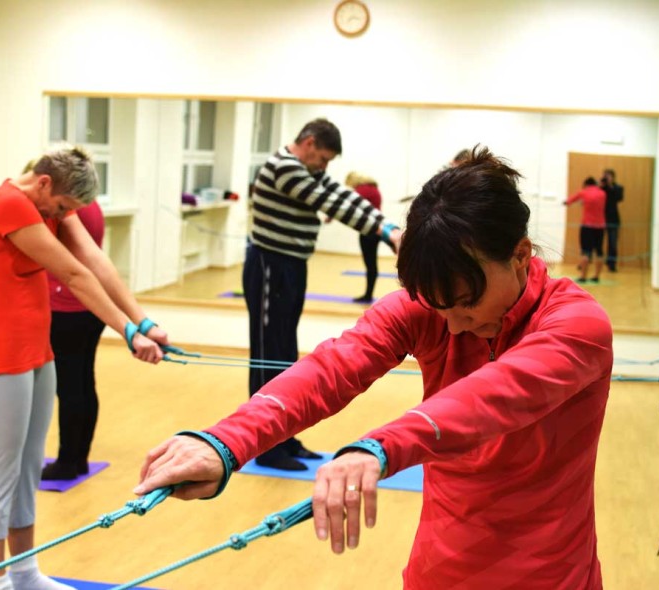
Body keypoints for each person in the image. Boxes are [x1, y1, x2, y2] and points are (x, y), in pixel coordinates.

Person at [135, 147, 613, 589]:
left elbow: (493, 396)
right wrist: (225, 441)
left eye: (467, 305)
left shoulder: (576, 324)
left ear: (521, 255)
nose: (453, 325)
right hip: (440, 565)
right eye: (439, 306)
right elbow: (332, 367)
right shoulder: (431, 310)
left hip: (550, 572)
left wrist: (376, 448)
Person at [0, 146, 169, 590]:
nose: (61, 216)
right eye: (61, 208)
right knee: (0, 471)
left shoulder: (50, 202)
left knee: (28, 466)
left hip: (37, 351)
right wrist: (126, 333)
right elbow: (74, 275)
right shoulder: (9, 207)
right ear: (44, 184)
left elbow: (95, 261)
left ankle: (25, 574)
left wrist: (142, 320)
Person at [243, 118, 402, 471]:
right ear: (310, 143)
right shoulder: (284, 168)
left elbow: (342, 194)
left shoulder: (305, 168)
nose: (325, 166)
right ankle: (265, 445)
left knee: (284, 353)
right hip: (270, 265)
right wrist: (383, 232)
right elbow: (332, 204)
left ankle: (283, 436)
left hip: (291, 265)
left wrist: (388, 227)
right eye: (324, 158)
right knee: (269, 355)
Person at [41, 198, 107, 481]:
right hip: (90, 307)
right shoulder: (90, 203)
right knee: (82, 383)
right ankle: (78, 459)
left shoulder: (67, 209)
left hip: (68, 307)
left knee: (69, 388)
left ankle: (67, 461)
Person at [344, 172, 383, 303]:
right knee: (372, 264)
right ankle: (368, 294)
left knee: (370, 264)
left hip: (368, 231)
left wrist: (329, 216)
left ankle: (368, 295)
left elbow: (346, 204)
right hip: (376, 230)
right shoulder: (373, 188)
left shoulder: (362, 189)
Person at [564, 177, 607, 283]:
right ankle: (596, 276)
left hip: (587, 226)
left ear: (586, 184)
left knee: (586, 251)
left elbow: (569, 201)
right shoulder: (602, 193)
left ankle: (583, 276)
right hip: (600, 226)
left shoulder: (583, 192)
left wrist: (566, 203)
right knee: (599, 251)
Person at [600, 169, 624, 272]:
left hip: (613, 219)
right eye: (605, 176)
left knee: (612, 243)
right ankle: (589, 263)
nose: (606, 178)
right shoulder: (601, 188)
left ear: (613, 177)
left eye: (609, 176)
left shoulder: (618, 188)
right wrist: (601, 185)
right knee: (597, 243)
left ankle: (611, 264)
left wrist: (610, 185)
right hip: (600, 219)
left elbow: (619, 198)